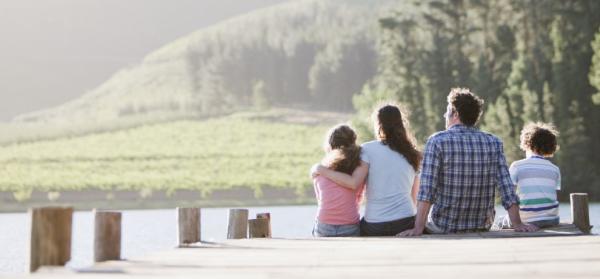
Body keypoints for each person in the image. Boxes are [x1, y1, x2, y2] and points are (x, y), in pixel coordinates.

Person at [398, 88, 537, 236]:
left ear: (455, 113)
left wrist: (418, 228)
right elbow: (506, 188)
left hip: (444, 226)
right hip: (481, 225)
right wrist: (517, 223)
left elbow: (427, 190)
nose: (445, 115)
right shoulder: (493, 142)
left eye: (447, 111)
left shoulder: (437, 141)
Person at [313, 104, 422, 236]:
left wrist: (320, 169)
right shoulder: (412, 153)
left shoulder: (367, 149)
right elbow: (414, 197)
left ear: (379, 125)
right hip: (406, 222)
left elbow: (354, 182)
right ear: (401, 123)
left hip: (375, 225)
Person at [496, 122, 561, 229]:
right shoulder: (555, 169)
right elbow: (551, 194)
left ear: (527, 144)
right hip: (552, 219)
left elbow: (509, 193)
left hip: (526, 219)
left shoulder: (517, 166)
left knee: (500, 221)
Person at [312, 124, 365, 237]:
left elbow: (320, 200)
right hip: (349, 224)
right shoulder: (359, 168)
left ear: (330, 145)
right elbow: (359, 197)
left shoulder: (320, 170)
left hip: (324, 224)